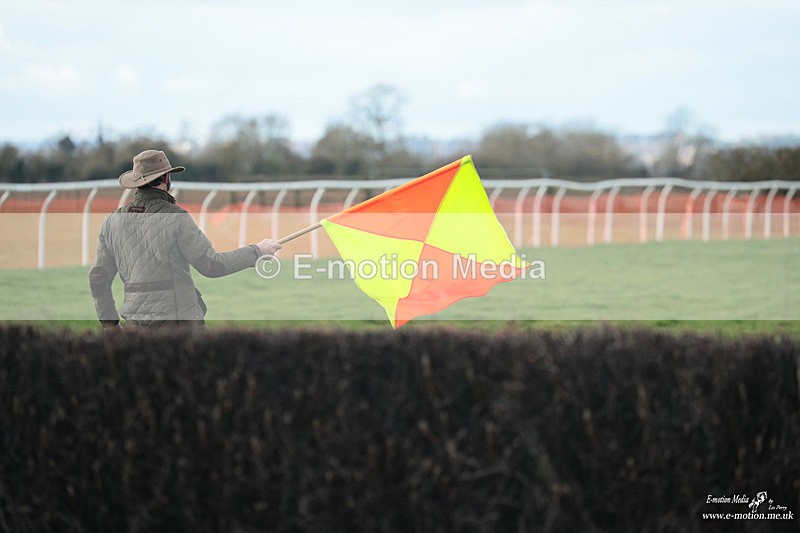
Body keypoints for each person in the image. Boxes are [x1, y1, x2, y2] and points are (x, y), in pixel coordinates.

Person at [89, 149, 281, 328]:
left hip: (134, 326)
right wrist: (257, 251)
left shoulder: (112, 221)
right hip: (181, 325)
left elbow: (98, 278)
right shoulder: (177, 217)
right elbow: (211, 265)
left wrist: (110, 327)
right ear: (166, 177)